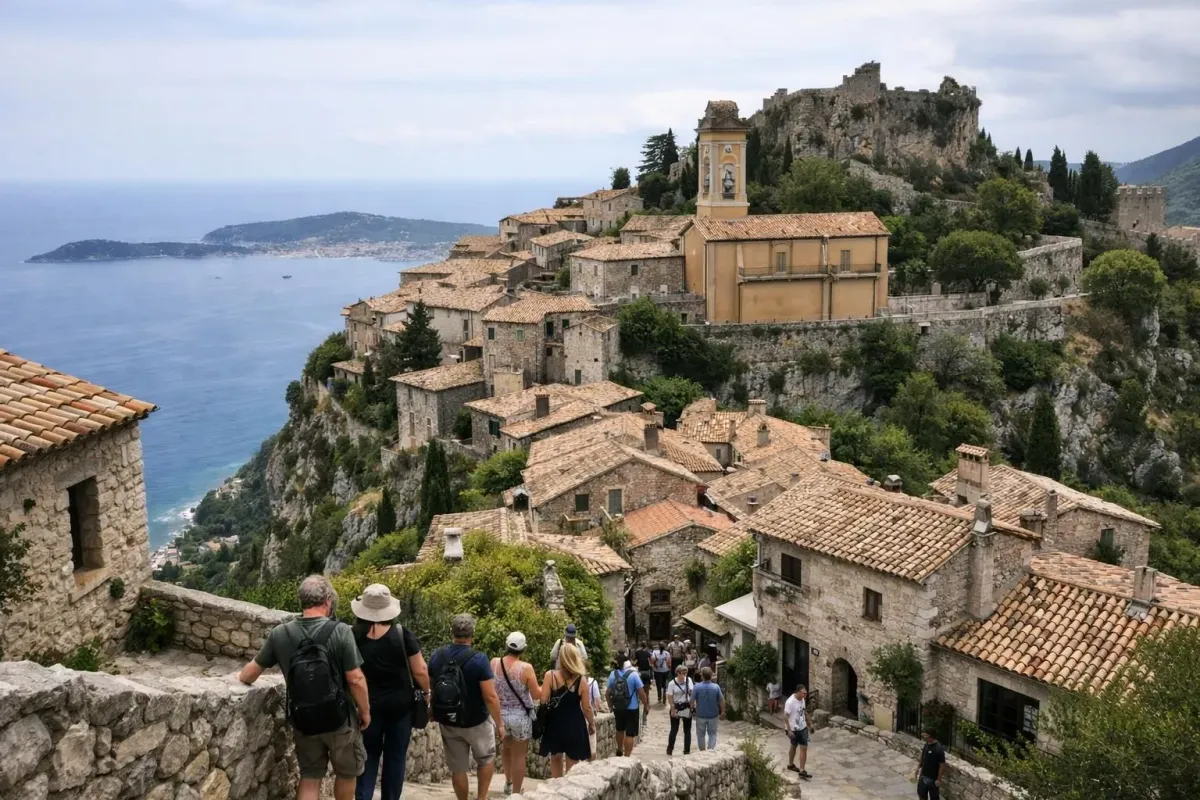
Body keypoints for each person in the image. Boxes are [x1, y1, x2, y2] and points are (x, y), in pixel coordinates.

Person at [238, 575, 369, 800]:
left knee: (310, 777)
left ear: (301, 600)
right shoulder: (340, 631)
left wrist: (240, 675)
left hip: (304, 721)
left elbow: (249, 674)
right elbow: (355, 679)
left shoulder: (281, 633)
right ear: (328, 600)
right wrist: (365, 711)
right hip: (340, 721)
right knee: (347, 774)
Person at [350, 584, 430, 800]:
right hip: (400, 708)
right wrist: (427, 692)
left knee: (367, 757)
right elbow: (420, 670)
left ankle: (363, 797)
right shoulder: (402, 634)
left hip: (367, 707)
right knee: (395, 758)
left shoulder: (352, 635)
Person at [429, 614, 505, 800]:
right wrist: (500, 723)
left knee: (458, 769)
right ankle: (481, 798)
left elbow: (431, 687)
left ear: (451, 632)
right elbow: (490, 695)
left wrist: (432, 709)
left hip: (449, 721)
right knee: (486, 759)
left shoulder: (437, 657)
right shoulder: (479, 659)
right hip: (476, 721)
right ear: (473, 634)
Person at [491, 632, 541, 796]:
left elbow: (492, 689)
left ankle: (508, 783)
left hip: (501, 717)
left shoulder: (495, 663)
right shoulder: (526, 668)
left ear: (506, 646)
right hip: (520, 718)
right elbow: (536, 695)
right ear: (523, 649)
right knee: (520, 756)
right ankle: (516, 794)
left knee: (506, 750)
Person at [539, 642, 595, 776]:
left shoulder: (550, 676)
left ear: (561, 658)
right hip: (574, 724)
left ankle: (556, 787)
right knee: (572, 759)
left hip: (554, 723)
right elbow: (586, 707)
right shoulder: (581, 680)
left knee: (555, 757)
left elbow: (543, 700)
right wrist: (591, 724)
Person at [606, 657, 648, 756]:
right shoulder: (634, 674)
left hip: (618, 707)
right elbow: (642, 693)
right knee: (630, 733)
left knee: (619, 729)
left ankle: (619, 749)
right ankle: (627, 756)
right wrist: (646, 705)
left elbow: (607, 693)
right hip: (632, 708)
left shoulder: (613, 674)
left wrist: (610, 706)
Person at [665, 664, 695, 756]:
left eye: (686, 673)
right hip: (676, 706)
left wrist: (692, 704)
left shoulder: (689, 680)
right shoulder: (672, 683)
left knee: (687, 729)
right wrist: (672, 707)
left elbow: (692, 692)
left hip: (686, 706)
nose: (684, 675)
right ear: (677, 673)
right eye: (682, 673)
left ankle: (687, 750)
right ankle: (670, 748)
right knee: (674, 729)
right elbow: (670, 696)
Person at [693, 667, 725, 751]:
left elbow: (691, 700)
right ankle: (710, 751)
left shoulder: (697, 687)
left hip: (700, 714)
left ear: (702, 676)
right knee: (712, 734)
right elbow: (721, 700)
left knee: (700, 734)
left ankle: (703, 752)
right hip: (713, 715)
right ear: (711, 676)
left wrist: (692, 709)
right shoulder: (716, 687)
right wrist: (723, 712)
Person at [784, 685, 812, 780]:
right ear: (798, 692)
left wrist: (810, 724)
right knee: (793, 746)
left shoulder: (802, 699)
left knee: (803, 748)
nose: (805, 695)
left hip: (802, 728)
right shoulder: (790, 702)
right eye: (804, 693)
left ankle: (802, 770)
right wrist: (788, 730)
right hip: (793, 729)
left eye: (806, 693)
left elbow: (804, 712)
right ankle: (790, 765)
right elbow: (785, 716)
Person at [916, 726, 947, 799]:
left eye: (925, 735)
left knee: (934, 797)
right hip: (923, 776)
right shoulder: (926, 744)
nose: (923, 736)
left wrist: (939, 779)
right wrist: (918, 768)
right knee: (921, 794)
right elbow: (923, 756)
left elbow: (942, 765)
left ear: (930, 736)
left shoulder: (938, 749)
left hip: (933, 779)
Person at [585, 671, 606, 761]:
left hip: (575, 716)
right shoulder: (593, 682)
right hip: (589, 715)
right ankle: (591, 766)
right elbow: (597, 702)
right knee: (592, 745)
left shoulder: (572, 680)